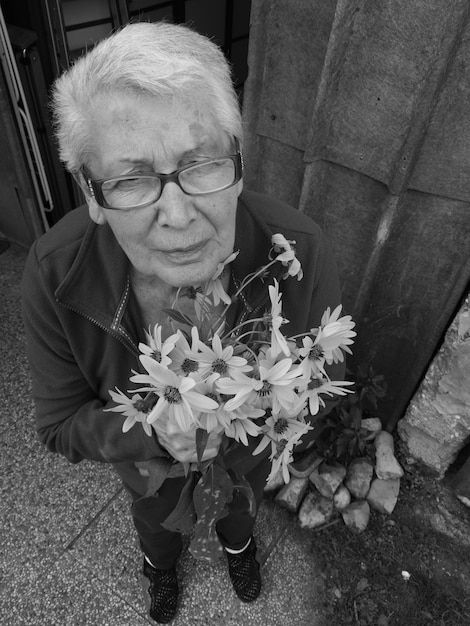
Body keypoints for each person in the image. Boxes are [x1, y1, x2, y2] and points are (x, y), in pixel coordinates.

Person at [21, 21, 345, 624]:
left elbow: (326, 370)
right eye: (130, 180)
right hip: (146, 468)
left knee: (238, 510)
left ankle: (239, 549)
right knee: (156, 521)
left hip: (247, 458)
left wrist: (272, 408)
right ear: (91, 196)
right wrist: (153, 434)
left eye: (200, 164)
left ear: (238, 163)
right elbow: (60, 426)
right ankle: (161, 569)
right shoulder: (52, 276)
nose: (176, 214)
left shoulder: (298, 252)